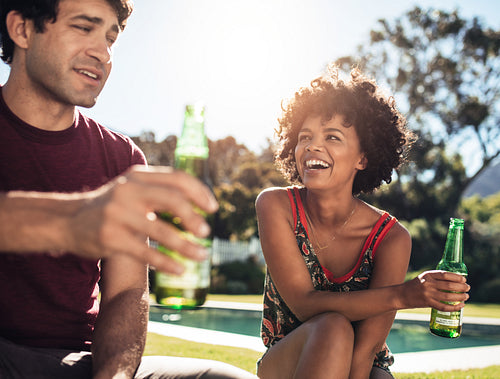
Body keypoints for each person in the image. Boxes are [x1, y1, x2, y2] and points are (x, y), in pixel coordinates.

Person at [0, 0, 257, 378]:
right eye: (83, 28)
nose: (102, 53)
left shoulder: (122, 157)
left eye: (110, 38)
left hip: (79, 363)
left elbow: (125, 292)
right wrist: (71, 221)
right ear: (22, 30)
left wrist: (115, 375)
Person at [255, 66, 470, 379]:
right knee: (332, 326)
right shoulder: (276, 205)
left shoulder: (391, 237)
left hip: (366, 365)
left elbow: (366, 351)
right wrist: (405, 295)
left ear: (363, 158)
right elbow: (304, 305)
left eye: (332, 136)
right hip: (287, 360)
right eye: (305, 137)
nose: (313, 146)